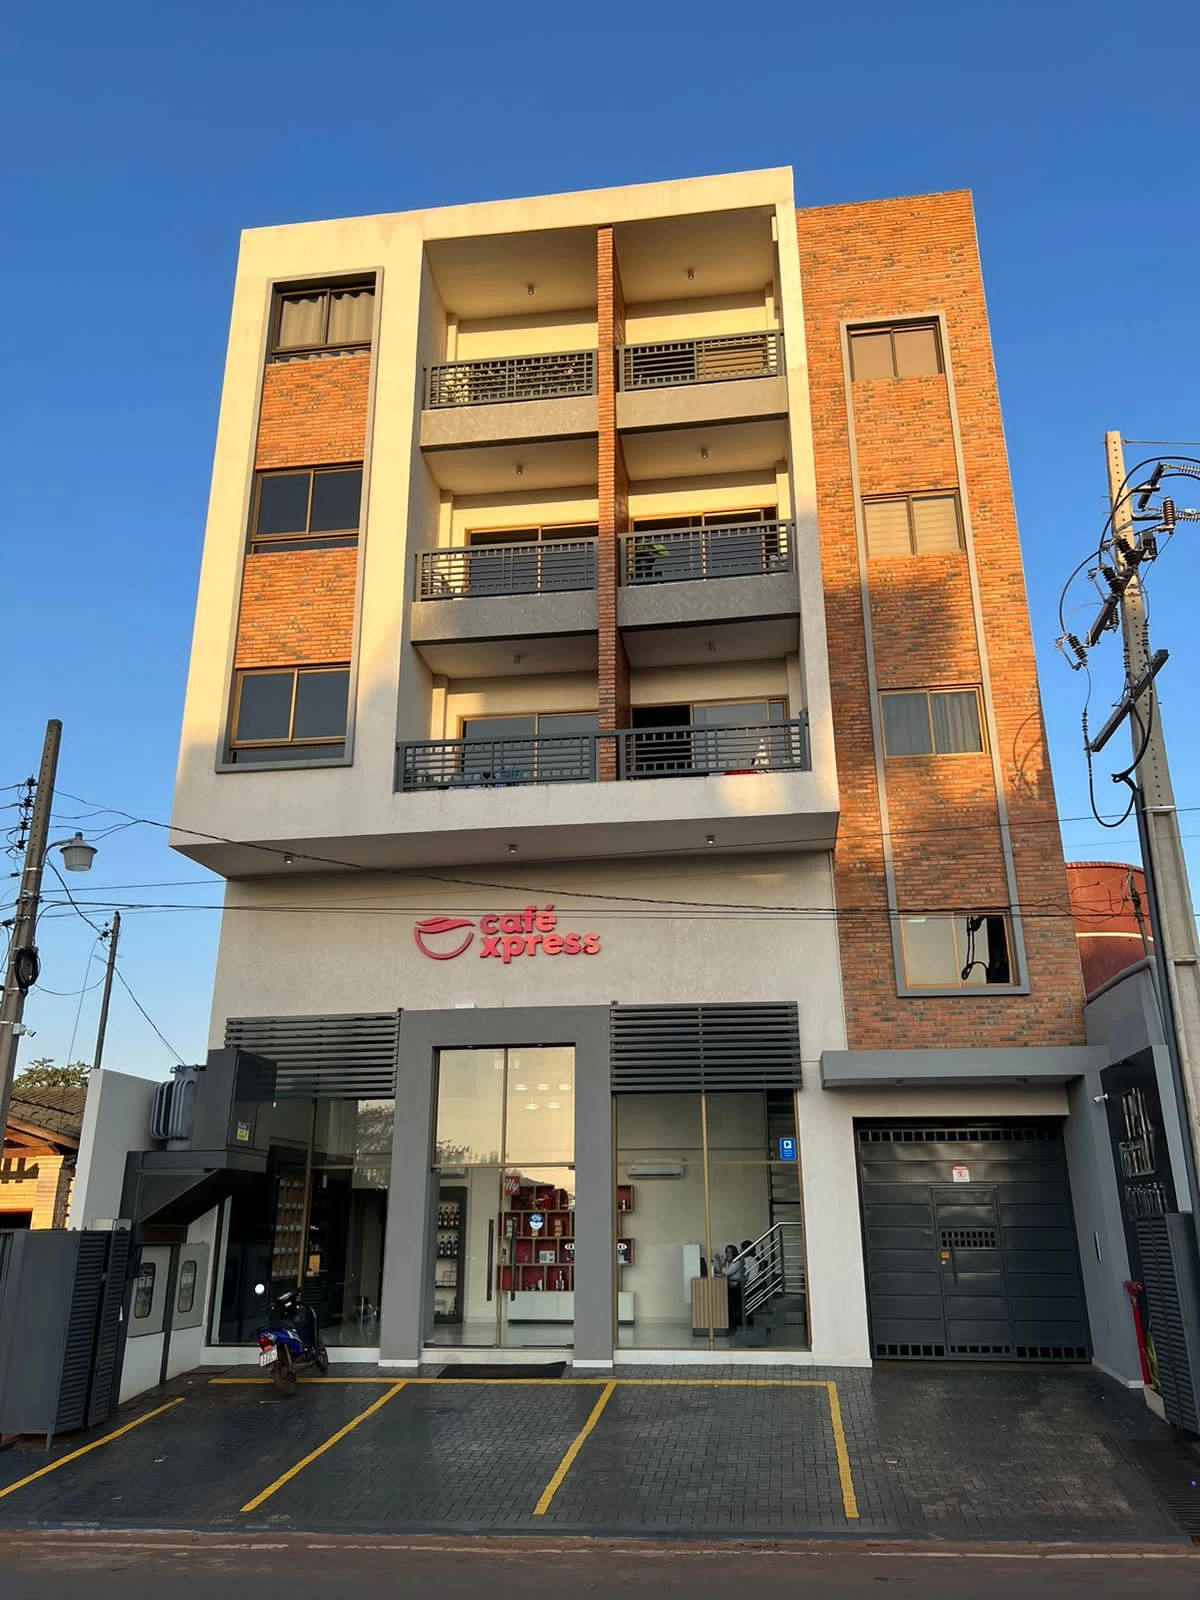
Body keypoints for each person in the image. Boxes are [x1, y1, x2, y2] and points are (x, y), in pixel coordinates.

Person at [723, 1243, 745, 1330]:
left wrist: (721, 1262)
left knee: (734, 1305)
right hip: (731, 1285)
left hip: (736, 1287)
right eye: (727, 1252)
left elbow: (727, 1272)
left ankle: (735, 1322)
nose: (728, 1254)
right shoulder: (729, 1262)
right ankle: (731, 1321)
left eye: (730, 1252)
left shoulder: (737, 1262)